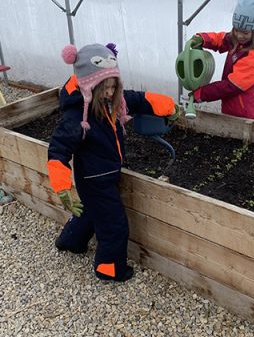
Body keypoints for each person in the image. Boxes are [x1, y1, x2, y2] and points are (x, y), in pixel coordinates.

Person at [47, 42, 178, 282]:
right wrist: (62, 187)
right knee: (114, 225)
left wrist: (169, 106)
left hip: (104, 174)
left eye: (113, 87)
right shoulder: (78, 117)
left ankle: (70, 241)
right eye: (104, 89)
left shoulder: (111, 102)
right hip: (95, 180)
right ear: (89, 85)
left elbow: (140, 99)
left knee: (91, 213)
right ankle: (109, 269)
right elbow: (58, 151)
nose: (109, 93)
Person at [189, 0, 254, 120]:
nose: (239, 35)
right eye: (236, 30)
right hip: (232, 105)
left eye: (245, 32)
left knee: (240, 136)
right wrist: (203, 39)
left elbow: (231, 86)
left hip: (245, 111)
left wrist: (201, 94)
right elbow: (222, 39)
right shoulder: (240, 40)